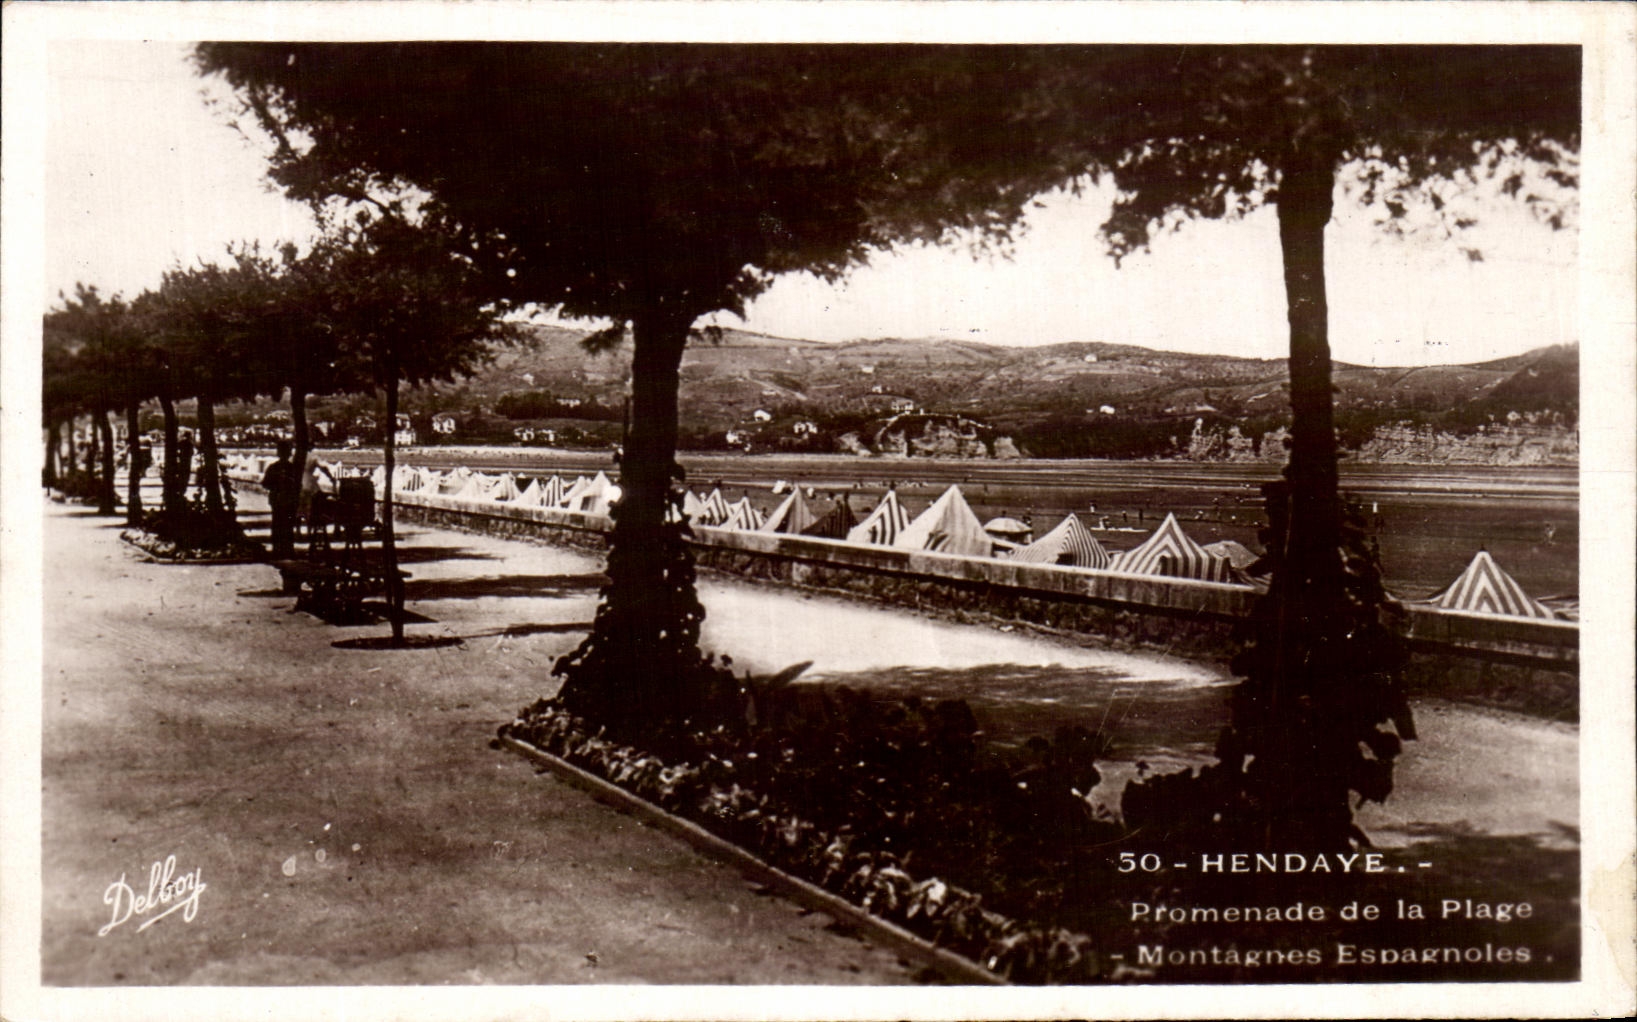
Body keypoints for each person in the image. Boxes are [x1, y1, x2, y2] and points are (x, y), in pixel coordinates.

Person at [261, 442, 299, 557]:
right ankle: (288, 549)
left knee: (278, 524)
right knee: (287, 525)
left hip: (278, 500)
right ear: (289, 453)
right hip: (287, 500)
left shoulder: (273, 467)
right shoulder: (293, 468)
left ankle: (277, 549)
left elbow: (265, 484)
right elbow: (297, 485)